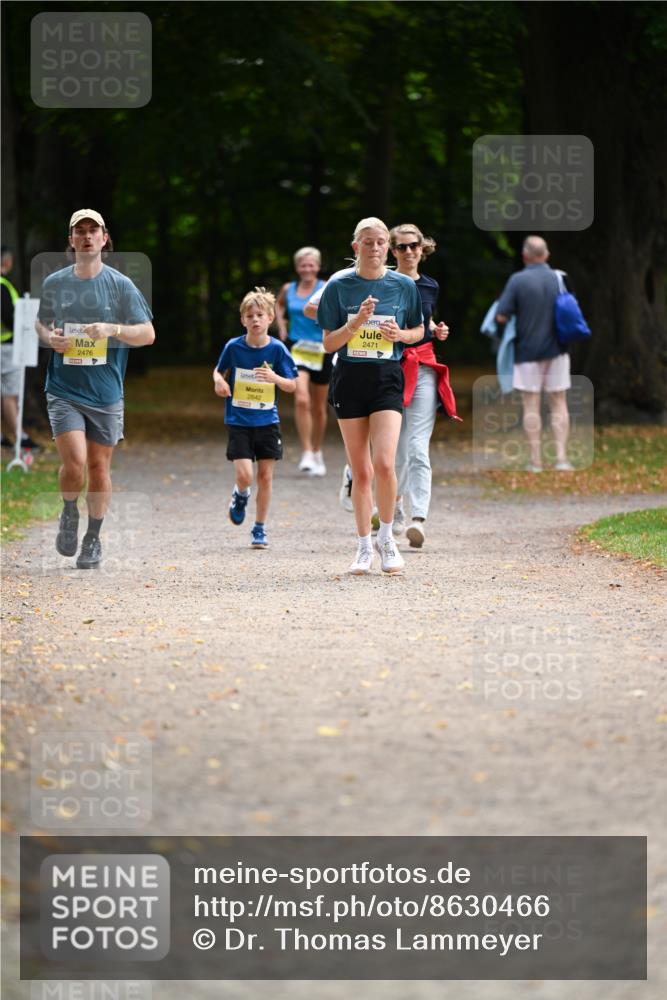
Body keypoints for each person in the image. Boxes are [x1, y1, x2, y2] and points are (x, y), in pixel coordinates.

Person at [35, 209, 155, 568]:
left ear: (105, 239)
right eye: (80, 231)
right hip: (64, 388)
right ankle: (69, 510)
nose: (87, 237)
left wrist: (113, 329)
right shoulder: (55, 283)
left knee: (99, 468)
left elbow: (148, 335)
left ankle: (93, 539)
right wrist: (50, 338)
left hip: (105, 392)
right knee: (75, 463)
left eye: (93, 231)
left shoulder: (120, 285)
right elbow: (41, 324)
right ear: (71, 240)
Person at [317, 217, 424, 575]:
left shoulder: (403, 285)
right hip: (349, 377)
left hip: (386, 377)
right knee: (361, 471)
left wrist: (400, 335)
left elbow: (418, 330)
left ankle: (387, 540)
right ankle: (363, 546)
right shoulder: (339, 286)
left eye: (381, 242)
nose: (375, 248)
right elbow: (329, 343)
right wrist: (355, 323)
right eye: (368, 242)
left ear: (387, 247)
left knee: (385, 464)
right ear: (355, 247)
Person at [390, 224, 460, 549]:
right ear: (393, 251)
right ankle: (393, 508)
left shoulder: (430, 285)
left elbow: (425, 319)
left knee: (417, 446)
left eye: (413, 246)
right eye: (401, 247)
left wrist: (437, 328)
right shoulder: (384, 282)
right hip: (390, 369)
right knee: (396, 449)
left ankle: (418, 518)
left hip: (424, 367)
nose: (408, 252)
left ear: (422, 249)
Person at [213, 287, 297, 548]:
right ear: (243, 320)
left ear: (271, 318)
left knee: (266, 477)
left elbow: (292, 385)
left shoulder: (277, 350)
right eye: (250, 316)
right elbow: (218, 372)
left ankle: (259, 528)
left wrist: (275, 378)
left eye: (260, 315)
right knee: (245, 475)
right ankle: (241, 494)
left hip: (267, 422)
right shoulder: (234, 347)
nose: (255, 320)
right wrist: (219, 383)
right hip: (239, 420)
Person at [496, 235, 573, 472]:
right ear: (546, 255)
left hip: (526, 351)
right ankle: (561, 459)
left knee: (531, 405)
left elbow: (501, 315)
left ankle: (536, 461)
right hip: (558, 350)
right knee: (558, 402)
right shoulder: (560, 278)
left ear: (525, 256)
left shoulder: (517, 280)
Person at [275, 247, 328, 476]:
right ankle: (306, 451)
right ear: (297, 267)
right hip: (298, 349)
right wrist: (282, 326)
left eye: (311, 265)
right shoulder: (289, 289)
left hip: (323, 349)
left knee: (318, 406)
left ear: (317, 266)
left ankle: (317, 451)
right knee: (301, 399)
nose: (307, 269)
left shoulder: (325, 287)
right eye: (303, 265)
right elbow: (278, 305)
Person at [1, 245, 39, 450]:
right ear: (7, 262)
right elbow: (8, 317)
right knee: (10, 394)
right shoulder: (3, 286)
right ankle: (20, 437)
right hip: (6, 347)